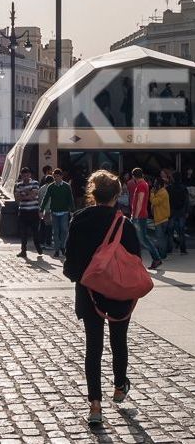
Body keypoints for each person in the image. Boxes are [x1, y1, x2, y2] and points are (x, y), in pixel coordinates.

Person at [63, 170, 141, 425]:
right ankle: (119, 386)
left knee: (92, 348)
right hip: (118, 292)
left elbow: (70, 265)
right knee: (119, 341)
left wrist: (87, 275)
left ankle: (95, 405)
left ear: (92, 194)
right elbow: (136, 260)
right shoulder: (124, 224)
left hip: (89, 293)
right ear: (117, 195)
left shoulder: (78, 219)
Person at [129, 167, 162, 269]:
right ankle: (150, 259)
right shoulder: (143, 184)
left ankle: (156, 258)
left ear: (133, 176)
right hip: (140, 216)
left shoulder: (141, 185)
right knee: (141, 239)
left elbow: (140, 201)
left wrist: (135, 216)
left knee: (143, 239)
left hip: (139, 216)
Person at [40, 168, 76, 258]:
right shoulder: (51, 187)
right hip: (54, 212)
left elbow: (70, 198)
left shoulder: (66, 186)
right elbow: (46, 198)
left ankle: (63, 246)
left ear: (61, 176)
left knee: (64, 230)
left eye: (57, 176)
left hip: (64, 211)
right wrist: (41, 209)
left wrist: (72, 210)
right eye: (54, 177)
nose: (56, 178)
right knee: (55, 231)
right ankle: (56, 249)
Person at [15, 167, 42, 258]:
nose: (25, 177)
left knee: (35, 231)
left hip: (33, 211)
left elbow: (34, 196)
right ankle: (23, 251)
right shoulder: (18, 185)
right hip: (23, 211)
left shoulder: (35, 183)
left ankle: (38, 246)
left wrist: (24, 193)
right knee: (23, 232)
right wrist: (28, 194)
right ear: (21, 175)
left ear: (30, 175)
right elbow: (17, 198)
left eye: (27, 175)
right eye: (24, 175)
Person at [168, 171, 189, 254]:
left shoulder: (169, 188)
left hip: (171, 211)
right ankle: (183, 250)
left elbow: (167, 201)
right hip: (181, 212)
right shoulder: (184, 188)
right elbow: (187, 201)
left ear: (173, 178)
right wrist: (187, 211)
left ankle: (169, 250)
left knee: (170, 232)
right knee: (181, 232)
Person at [150, 177, 170, 260]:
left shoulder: (162, 192)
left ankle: (162, 255)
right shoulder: (161, 191)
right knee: (162, 238)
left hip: (161, 219)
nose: (154, 184)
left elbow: (154, 202)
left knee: (160, 238)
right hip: (161, 218)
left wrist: (151, 193)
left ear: (159, 184)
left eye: (155, 182)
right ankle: (162, 253)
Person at [38, 174, 54, 249]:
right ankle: (48, 243)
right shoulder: (52, 188)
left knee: (42, 226)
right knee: (49, 227)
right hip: (49, 209)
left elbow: (39, 199)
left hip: (42, 209)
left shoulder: (41, 188)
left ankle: (41, 241)